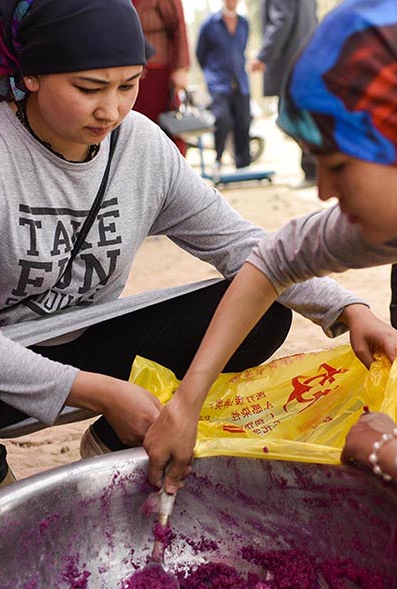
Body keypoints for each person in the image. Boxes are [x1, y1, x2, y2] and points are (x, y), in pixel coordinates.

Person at [0, 0, 392, 501]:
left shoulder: (142, 146)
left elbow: (244, 245)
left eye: (128, 85)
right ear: (31, 76)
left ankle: (109, 444)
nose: (110, 110)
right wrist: (104, 392)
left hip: (91, 336)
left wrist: (349, 308)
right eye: (88, 88)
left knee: (262, 314)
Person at [144, 0, 397, 491]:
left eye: (339, 165)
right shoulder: (370, 220)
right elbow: (270, 262)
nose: (323, 190)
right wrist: (186, 402)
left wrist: (387, 450)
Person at [251, 0, 318, 188]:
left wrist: (263, 56)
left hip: (291, 61)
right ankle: (314, 167)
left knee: (289, 118)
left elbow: (281, 20)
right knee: (304, 117)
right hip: (306, 58)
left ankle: (315, 166)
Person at [196, 0, 251, 174]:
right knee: (223, 118)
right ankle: (218, 159)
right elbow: (200, 54)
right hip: (218, 83)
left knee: (244, 121)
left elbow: (241, 50)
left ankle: (243, 165)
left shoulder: (244, 24)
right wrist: (211, 74)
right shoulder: (209, 25)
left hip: (240, 82)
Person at [132, 0, 190, 156]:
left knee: (163, 132)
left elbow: (178, 25)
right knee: (132, 133)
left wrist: (181, 68)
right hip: (128, 73)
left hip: (157, 74)